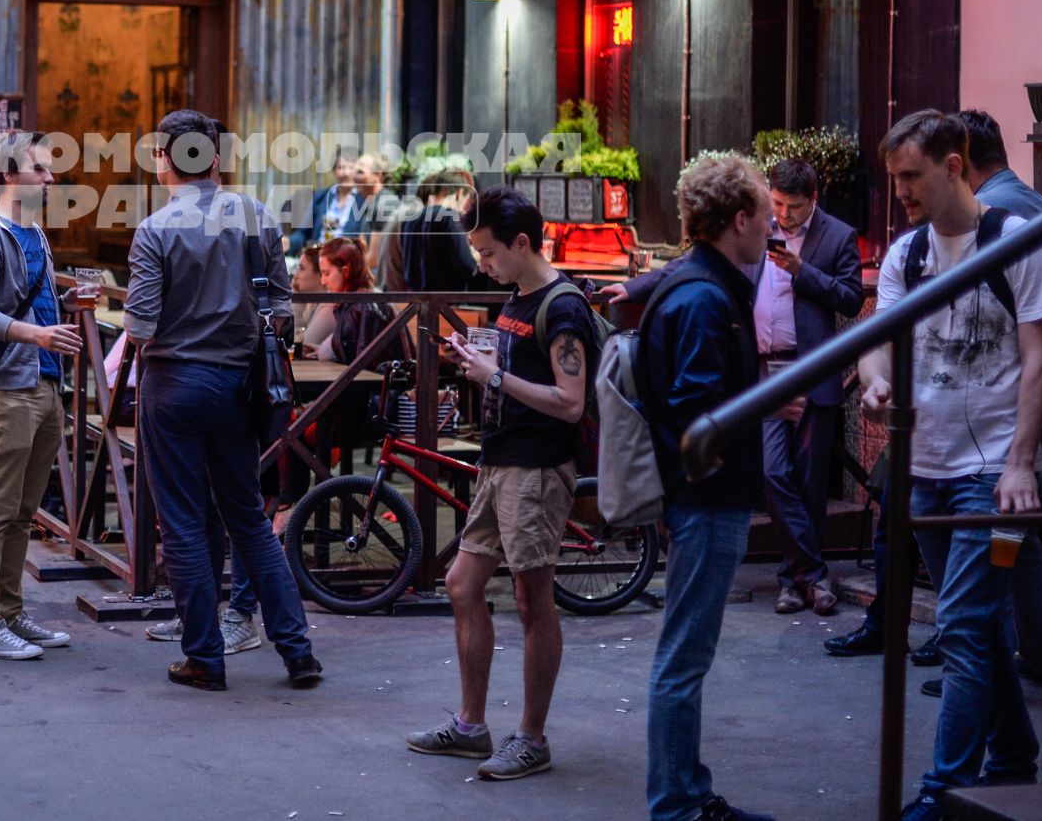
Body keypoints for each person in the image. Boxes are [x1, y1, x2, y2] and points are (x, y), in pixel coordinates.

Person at [865, 111, 1042, 820]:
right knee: (978, 625)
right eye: (895, 180)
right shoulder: (906, 254)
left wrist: (1020, 465)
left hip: (990, 474)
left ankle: (943, 787)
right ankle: (1013, 757)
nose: (902, 194)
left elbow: (1039, 360)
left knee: (960, 621)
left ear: (954, 166)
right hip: (923, 465)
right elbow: (878, 338)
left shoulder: (1018, 242)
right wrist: (874, 379)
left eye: (912, 177)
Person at [608, 159, 863, 614]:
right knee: (772, 474)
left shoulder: (837, 235)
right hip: (760, 372)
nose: (781, 217)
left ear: (814, 201)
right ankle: (811, 572)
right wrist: (632, 289)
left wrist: (804, 271)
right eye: (777, 205)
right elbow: (687, 268)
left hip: (809, 370)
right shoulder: (736, 254)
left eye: (792, 207)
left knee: (808, 482)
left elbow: (850, 298)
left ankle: (794, 578)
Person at [405, 187, 598, 782]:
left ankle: (532, 738)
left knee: (532, 601)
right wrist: (481, 362)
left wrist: (494, 378)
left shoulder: (562, 307)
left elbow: (570, 403)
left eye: (488, 253)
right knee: (463, 584)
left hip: (538, 468)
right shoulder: (519, 296)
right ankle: (470, 727)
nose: (481, 264)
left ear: (521, 243)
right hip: (501, 462)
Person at [124, 109, 321, 692]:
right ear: (215, 158)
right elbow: (282, 311)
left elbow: (139, 325)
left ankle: (205, 659)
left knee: (183, 521)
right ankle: (298, 651)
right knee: (249, 521)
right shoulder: (257, 218)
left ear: (165, 159)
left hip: (175, 385)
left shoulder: (156, 229)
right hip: (241, 387)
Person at [637, 154, 775, 821]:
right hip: (706, 501)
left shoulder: (695, 284)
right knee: (684, 656)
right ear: (739, 220)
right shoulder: (704, 296)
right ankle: (677, 804)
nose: (772, 233)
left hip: (699, 497)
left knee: (684, 652)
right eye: (767, 219)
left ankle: (686, 791)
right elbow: (695, 409)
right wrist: (714, 478)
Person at [957, 108, 1042, 688]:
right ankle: (1035, 653)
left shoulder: (1005, 213)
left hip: (1011, 403)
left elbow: (1038, 334)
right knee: (1015, 536)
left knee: (1006, 532)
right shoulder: (1022, 199)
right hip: (1020, 398)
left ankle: (998, 657)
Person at [0, 130, 80, 661]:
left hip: (45, 385)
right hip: (8, 389)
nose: (50, 180)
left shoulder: (36, 234)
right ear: (8, 176)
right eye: (39, 171)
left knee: (23, 510)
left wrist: (69, 298)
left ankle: (10, 613)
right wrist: (37, 334)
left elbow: (30, 301)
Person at [299, 236, 398, 366]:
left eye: (327, 273)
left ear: (345, 271)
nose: (323, 281)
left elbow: (334, 352)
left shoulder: (362, 307)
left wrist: (323, 350)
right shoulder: (357, 301)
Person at [399, 169, 480, 292]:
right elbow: (468, 266)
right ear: (459, 193)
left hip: (416, 305)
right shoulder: (450, 217)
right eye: (466, 200)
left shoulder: (410, 220)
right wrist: (478, 257)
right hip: (447, 304)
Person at [291, 150, 360, 254]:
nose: (346, 173)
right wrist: (288, 242)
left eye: (351, 168)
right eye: (341, 167)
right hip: (318, 256)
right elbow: (303, 232)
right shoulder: (321, 197)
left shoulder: (364, 200)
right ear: (334, 171)